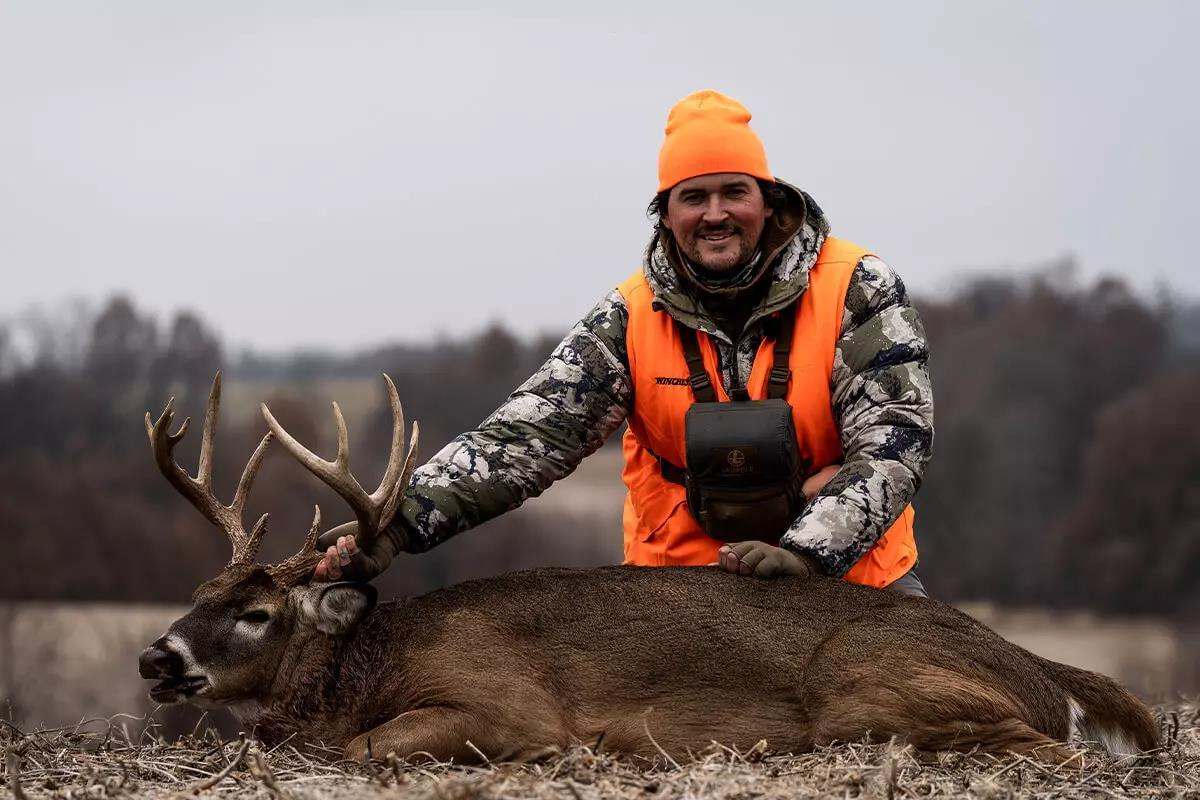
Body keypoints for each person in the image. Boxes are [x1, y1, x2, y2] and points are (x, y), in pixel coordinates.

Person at [315, 90, 934, 597]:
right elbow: (526, 437)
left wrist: (807, 555)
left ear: (769, 204)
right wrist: (399, 525)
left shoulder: (858, 287)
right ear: (666, 214)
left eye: (733, 192)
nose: (714, 213)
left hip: (852, 581)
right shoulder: (628, 318)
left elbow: (897, 436)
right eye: (693, 197)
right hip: (678, 594)